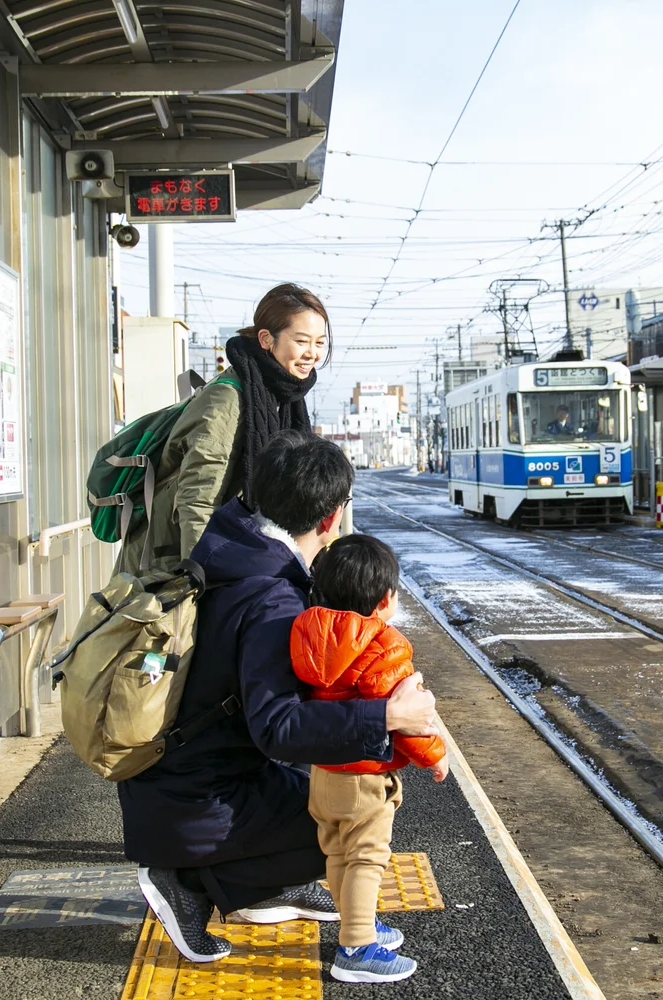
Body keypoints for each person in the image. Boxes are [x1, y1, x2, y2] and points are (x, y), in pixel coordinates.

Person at [120, 432, 439, 964]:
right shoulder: (271, 598)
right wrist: (387, 713)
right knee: (355, 810)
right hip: (194, 801)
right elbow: (279, 728)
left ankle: (261, 885)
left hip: (176, 778)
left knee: (322, 793)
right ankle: (189, 880)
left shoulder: (234, 550)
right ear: (331, 519)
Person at [291, 535, 448, 983]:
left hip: (323, 771)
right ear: (385, 600)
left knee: (338, 853)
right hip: (363, 775)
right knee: (367, 858)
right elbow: (406, 719)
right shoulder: (384, 645)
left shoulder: (307, 633)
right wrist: (435, 757)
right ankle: (356, 947)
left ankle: (357, 925)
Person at [115, 283, 329, 573]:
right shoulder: (228, 400)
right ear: (266, 339)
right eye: (302, 341)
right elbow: (198, 500)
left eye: (319, 343)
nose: (312, 354)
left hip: (230, 551)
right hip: (173, 567)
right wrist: (204, 585)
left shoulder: (281, 397)